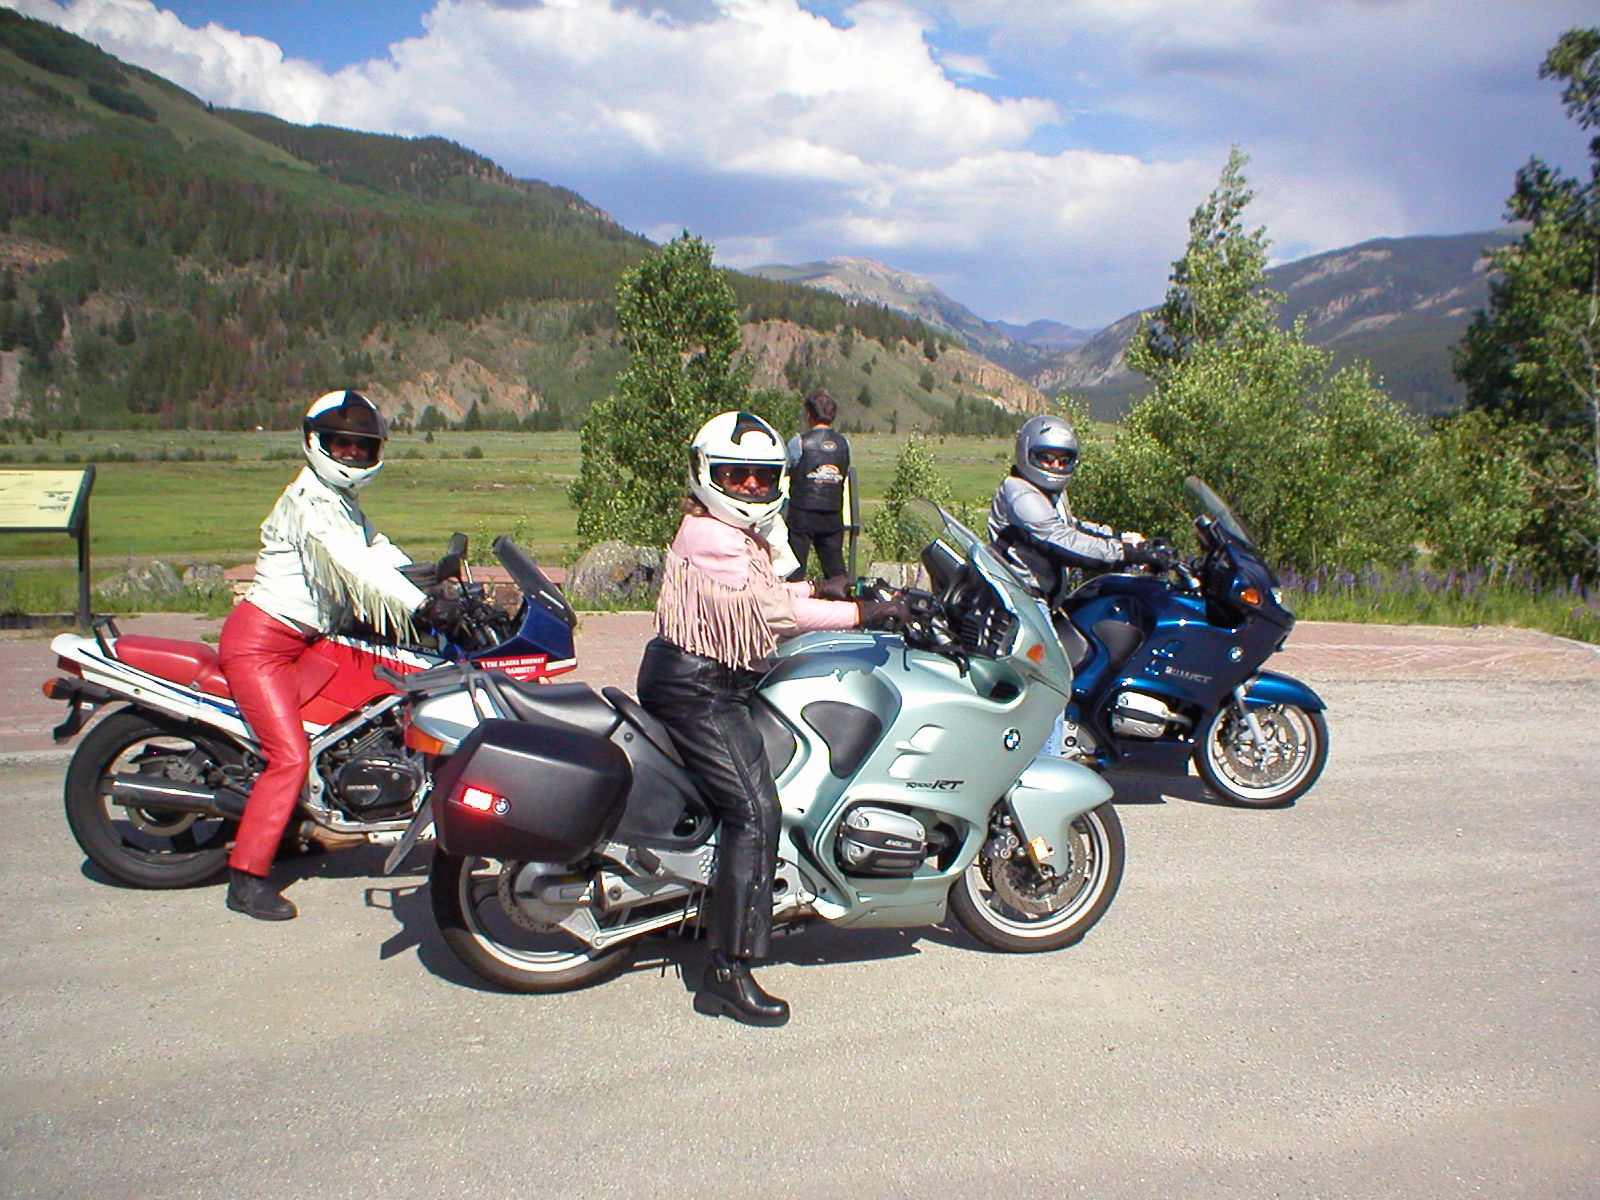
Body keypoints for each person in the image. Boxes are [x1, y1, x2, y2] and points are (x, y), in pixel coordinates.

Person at [636, 410, 906, 1027]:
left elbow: (775, 595)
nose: (753, 490)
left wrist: (828, 591)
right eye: (739, 476)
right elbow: (769, 612)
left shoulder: (730, 535)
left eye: (762, 478)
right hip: (701, 690)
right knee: (755, 812)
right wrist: (865, 614)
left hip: (705, 677)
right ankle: (727, 973)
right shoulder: (714, 536)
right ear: (709, 476)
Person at [218, 389, 464, 921]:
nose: (352, 454)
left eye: (362, 445)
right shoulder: (308, 502)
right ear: (315, 442)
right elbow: (355, 568)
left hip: (310, 640)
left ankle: (319, 809)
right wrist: (423, 608)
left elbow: (378, 553)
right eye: (341, 443)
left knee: (373, 701)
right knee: (289, 755)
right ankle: (247, 876)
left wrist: (434, 579)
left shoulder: (341, 502)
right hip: (262, 646)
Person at [987, 414, 1162, 613]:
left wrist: (1121, 537)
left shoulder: (1048, 492)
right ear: (1027, 453)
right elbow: (1060, 542)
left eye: (1064, 460)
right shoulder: (1021, 493)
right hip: (1021, 602)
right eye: (1047, 458)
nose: (1056, 466)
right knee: (1054, 646)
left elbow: (1070, 526)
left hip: (1040, 598)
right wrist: (1127, 553)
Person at [785, 390, 851, 582]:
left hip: (802, 513)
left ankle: (793, 607)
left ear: (809, 415)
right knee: (836, 570)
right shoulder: (844, 443)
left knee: (795, 569)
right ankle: (844, 605)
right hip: (832, 513)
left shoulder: (799, 442)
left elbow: (788, 469)